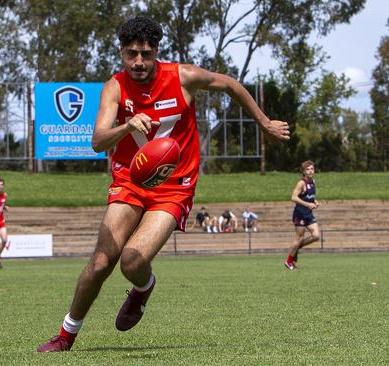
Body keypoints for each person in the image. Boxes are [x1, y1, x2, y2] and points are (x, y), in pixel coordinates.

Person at [37, 16, 290, 352]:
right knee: (100, 263)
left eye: (145, 53)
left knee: (132, 262)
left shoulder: (183, 77)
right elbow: (98, 141)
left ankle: (144, 287)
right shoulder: (115, 87)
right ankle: (65, 336)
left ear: (156, 50)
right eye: (131, 54)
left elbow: (229, 84)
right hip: (129, 180)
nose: (138, 61)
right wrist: (127, 127)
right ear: (122, 53)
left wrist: (264, 123)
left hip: (175, 186)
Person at [284, 160, 320, 270]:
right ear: (303, 171)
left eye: (312, 169)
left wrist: (315, 202)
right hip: (299, 214)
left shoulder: (313, 181)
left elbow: (309, 197)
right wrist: (308, 204)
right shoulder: (301, 183)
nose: (310, 171)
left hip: (308, 214)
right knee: (299, 238)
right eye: (308, 169)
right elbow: (293, 197)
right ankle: (289, 261)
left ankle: (297, 248)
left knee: (316, 236)